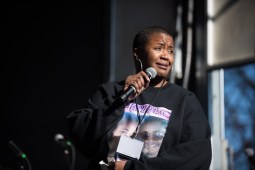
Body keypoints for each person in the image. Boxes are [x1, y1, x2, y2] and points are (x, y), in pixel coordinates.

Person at [66, 25, 212, 170]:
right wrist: (119, 100)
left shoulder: (184, 100)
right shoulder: (111, 91)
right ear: (138, 53)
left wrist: (132, 168)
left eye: (171, 51)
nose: (166, 56)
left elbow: (197, 155)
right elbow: (81, 134)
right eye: (158, 48)